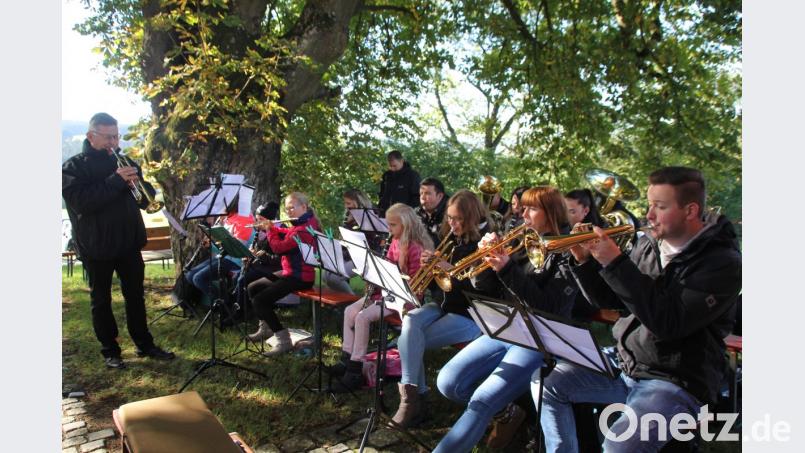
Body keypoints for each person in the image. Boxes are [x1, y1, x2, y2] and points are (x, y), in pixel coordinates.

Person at [538, 167, 741, 452]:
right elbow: (610, 300)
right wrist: (585, 262)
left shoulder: (722, 263)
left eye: (660, 206)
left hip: (676, 378)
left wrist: (616, 263)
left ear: (690, 210)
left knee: (618, 445)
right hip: (628, 362)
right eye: (649, 205)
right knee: (550, 384)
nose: (649, 215)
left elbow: (669, 323)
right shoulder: (649, 245)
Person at [433, 186, 578, 452]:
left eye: (531, 208)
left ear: (551, 213)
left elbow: (549, 307)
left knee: (483, 399)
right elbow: (482, 288)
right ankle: (511, 412)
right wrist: (485, 261)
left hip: (539, 339)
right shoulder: (520, 238)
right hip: (505, 327)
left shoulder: (567, 251)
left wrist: (507, 268)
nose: (521, 212)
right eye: (521, 206)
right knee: (448, 382)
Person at [62, 112, 175, 369]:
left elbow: (145, 201)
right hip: (96, 245)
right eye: (108, 137)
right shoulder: (73, 167)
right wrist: (115, 181)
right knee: (101, 300)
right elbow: (83, 203)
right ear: (91, 136)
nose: (114, 142)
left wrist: (142, 187)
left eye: (116, 136)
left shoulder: (125, 160)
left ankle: (144, 343)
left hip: (128, 242)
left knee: (135, 296)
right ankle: (110, 350)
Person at [390, 189, 494, 428]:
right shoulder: (450, 237)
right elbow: (439, 286)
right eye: (449, 217)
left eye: (458, 219)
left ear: (471, 216)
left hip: (469, 313)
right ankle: (416, 398)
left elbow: (481, 291)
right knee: (411, 321)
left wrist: (450, 270)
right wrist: (430, 267)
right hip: (443, 304)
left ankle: (413, 402)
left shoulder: (484, 241)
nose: (452, 223)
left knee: (410, 341)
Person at [332, 203, 434, 391]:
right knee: (350, 311)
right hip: (386, 292)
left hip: (405, 299)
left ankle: (356, 368)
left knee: (362, 317)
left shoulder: (416, 247)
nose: (388, 229)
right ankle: (346, 358)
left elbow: (415, 287)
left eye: (392, 225)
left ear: (407, 224)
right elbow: (385, 267)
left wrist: (389, 282)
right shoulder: (394, 241)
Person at [246, 192, 321, 356]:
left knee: (260, 300)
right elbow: (287, 233)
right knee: (253, 287)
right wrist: (272, 227)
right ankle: (265, 328)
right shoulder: (302, 222)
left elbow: (278, 247)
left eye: (292, 207)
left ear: (304, 206)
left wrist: (270, 231)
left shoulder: (304, 229)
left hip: (300, 276)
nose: (289, 212)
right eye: (287, 209)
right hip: (291, 271)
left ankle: (283, 340)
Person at [184, 199, 255, 301]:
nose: (219, 208)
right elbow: (222, 248)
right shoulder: (228, 219)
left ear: (231, 205)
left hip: (237, 261)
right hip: (225, 257)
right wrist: (211, 245)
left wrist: (216, 241)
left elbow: (236, 249)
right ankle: (222, 301)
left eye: (222, 205)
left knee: (198, 278)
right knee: (190, 275)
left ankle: (226, 304)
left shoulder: (243, 220)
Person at [323, 189, 378, 295]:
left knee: (334, 278)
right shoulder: (349, 215)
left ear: (359, 202)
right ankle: (347, 300)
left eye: (348, 203)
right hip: (349, 254)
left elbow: (372, 239)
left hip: (364, 257)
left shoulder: (370, 215)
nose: (346, 206)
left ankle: (351, 299)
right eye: (345, 203)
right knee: (326, 275)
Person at [378, 150, 421, 214]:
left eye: (394, 166)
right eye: (390, 166)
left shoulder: (412, 175)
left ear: (402, 161)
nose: (392, 168)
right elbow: (382, 195)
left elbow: (417, 197)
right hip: (385, 214)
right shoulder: (386, 175)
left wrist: (407, 211)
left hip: (404, 215)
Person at [415, 177, 448, 246]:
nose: (423, 198)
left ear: (440, 196)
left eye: (427, 193)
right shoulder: (417, 213)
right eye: (421, 193)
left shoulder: (450, 215)